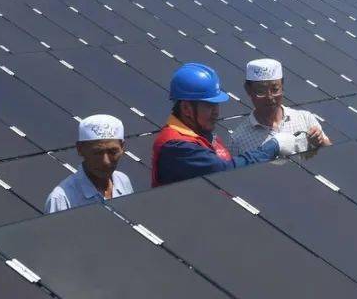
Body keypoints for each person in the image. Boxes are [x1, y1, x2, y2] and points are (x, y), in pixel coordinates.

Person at [151, 62, 298, 187]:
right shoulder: (177, 147)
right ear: (186, 109)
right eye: (209, 106)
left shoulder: (201, 136)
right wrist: (272, 147)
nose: (216, 112)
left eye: (216, 105)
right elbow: (224, 171)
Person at [229, 58, 331, 156]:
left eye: (275, 89)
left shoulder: (305, 119)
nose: (269, 97)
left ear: (282, 87)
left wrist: (320, 142)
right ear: (248, 90)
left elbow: (330, 154)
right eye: (261, 91)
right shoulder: (238, 140)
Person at [45, 114, 134, 213]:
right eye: (97, 153)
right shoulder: (61, 199)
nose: (106, 161)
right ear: (80, 149)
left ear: (122, 148)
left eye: (112, 152)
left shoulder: (122, 181)